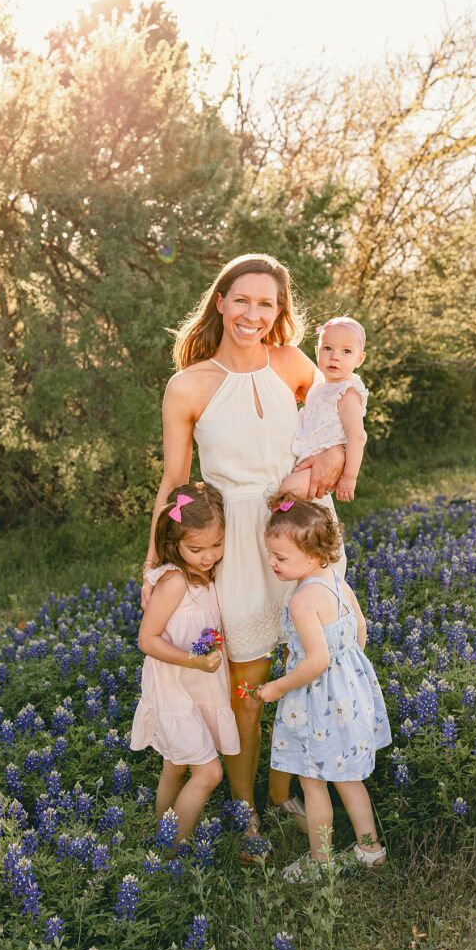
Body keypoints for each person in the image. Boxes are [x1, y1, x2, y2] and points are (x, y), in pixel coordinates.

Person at [141, 253, 346, 856]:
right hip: (234, 535)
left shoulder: (292, 364)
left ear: (279, 312)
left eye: (266, 303)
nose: (252, 313)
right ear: (221, 303)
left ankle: (287, 791)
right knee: (246, 686)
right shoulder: (189, 385)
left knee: (313, 660)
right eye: (242, 300)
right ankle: (246, 807)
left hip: (299, 527)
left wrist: (331, 463)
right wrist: (155, 563)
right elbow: (174, 481)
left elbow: (339, 415)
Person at [256, 495, 391, 882]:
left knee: (312, 781)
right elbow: (360, 628)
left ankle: (321, 860)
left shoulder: (302, 600)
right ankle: (370, 848)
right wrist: (347, 678)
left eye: (280, 557)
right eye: (270, 553)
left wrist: (277, 688)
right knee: (349, 778)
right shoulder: (335, 580)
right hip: (348, 695)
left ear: (313, 555)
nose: (272, 562)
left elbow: (315, 662)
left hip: (315, 704)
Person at [131, 482, 240, 844]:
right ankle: (169, 850)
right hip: (177, 688)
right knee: (208, 773)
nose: (208, 556)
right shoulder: (175, 581)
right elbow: (147, 640)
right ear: (173, 543)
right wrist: (193, 660)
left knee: (176, 766)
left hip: (197, 687)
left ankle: (161, 831)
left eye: (216, 545)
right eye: (196, 548)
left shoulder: (207, 574)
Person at [279, 316, 368, 503]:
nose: (335, 356)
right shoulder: (320, 383)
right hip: (305, 456)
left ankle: (280, 521)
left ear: (359, 359)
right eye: (327, 348)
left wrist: (349, 477)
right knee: (288, 498)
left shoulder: (347, 393)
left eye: (346, 351)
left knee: (287, 495)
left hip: (320, 461)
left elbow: (357, 437)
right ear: (317, 352)